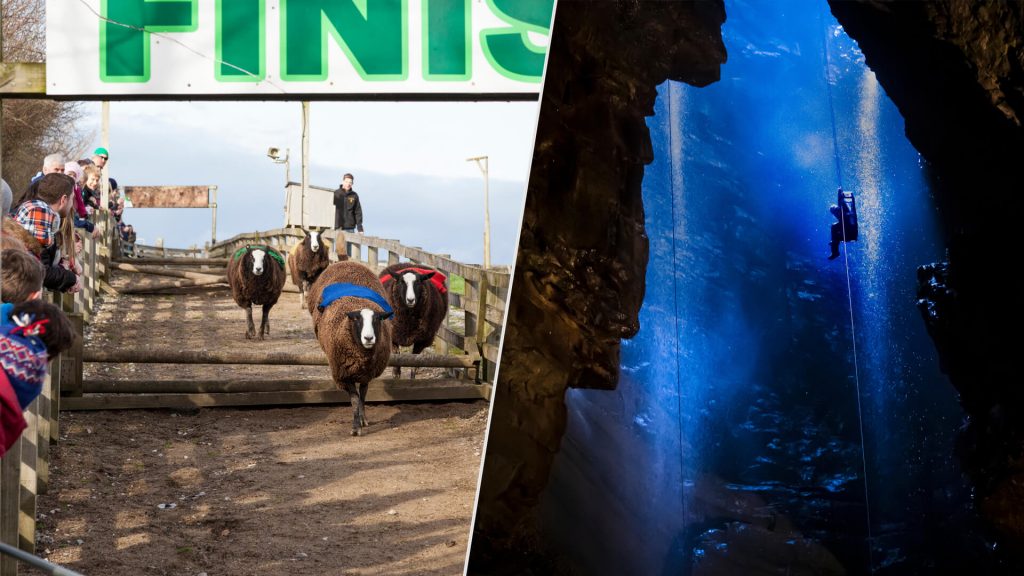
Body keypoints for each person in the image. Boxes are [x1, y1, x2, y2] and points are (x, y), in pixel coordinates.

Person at [13, 174, 81, 293]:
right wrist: (71, 278)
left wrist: (61, 267)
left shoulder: (37, 208)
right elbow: (40, 270)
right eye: (72, 199)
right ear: (64, 199)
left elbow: (42, 260)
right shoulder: (40, 213)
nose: (72, 205)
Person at [333, 173, 363, 258]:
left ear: (352, 183)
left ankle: (347, 269)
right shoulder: (336, 193)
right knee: (338, 251)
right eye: (346, 181)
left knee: (349, 253)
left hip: (350, 228)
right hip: (338, 228)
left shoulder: (354, 195)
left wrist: (360, 228)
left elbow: (358, 211)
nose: (348, 184)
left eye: (350, 182)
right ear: (343, 181)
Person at [828, 186, 858, 260]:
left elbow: (841, 202)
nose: (835, 214)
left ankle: (835, 251)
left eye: (834, 211)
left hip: (850, 234)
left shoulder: (843, 210)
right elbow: (841, 201)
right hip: (848, 234)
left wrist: (839, 192)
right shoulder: (841, 213)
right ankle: (835, 251)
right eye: (834, 212)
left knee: (834, 227)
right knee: (834, 228)